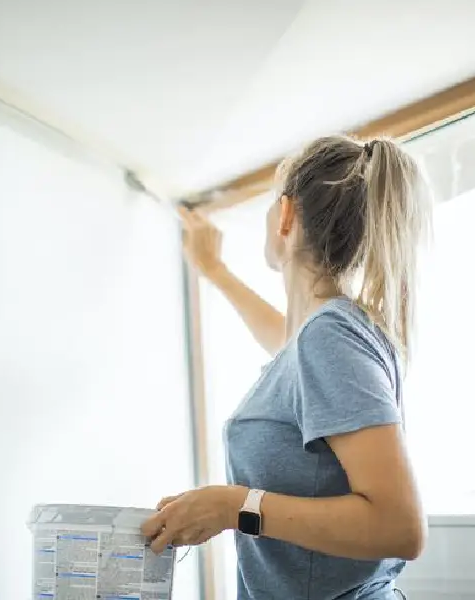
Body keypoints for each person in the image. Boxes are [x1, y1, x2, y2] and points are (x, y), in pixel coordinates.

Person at [141, 135, 432, 599]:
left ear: (286, 215)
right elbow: (286, 342)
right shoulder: (324, 335)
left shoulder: (330, 338)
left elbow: (400, 527)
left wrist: (233, 506)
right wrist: (213, 269)